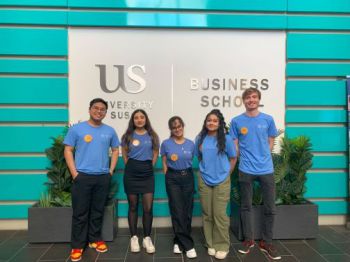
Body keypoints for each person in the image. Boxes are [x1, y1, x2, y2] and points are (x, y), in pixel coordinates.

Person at [64, 98, 119, 262]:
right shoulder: (77, 130)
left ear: (105, 112)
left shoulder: (109, 130)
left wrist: (110, 171)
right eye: (96, 108)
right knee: (80, 213)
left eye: (102, 109)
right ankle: (77, 246)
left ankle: (95, 239)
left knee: (97, 211)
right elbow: (68, 150)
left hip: (102, 177)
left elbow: (116, 150)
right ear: (89, 109)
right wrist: (74, 174)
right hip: (82, 177)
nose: (99, 111)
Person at [229, 88, 281, 260]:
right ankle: (249, 239)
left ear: (259, 99)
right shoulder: (237, 121)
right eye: (248, 98)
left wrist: (264, 153)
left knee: (270, 208)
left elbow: (271, 139)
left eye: (254, 97)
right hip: (246, 169)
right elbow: (235, 145)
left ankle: (267, 242)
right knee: (245, 206)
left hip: (266, 169)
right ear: (243, 101)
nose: (251, 100)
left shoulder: (267, 119)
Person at [195, 109, 236, 260]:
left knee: (219, 214)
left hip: (222, 180)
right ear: (205, 123)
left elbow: (233, 158)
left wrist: (226, 174)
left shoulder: (227, 139)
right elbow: (199, 157)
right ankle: (210, 243)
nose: (211, 123)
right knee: (207, 214)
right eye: (209, 120)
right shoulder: (200, 138)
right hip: (204, 179)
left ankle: (222, 245)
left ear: (219, 124)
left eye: (214, 121)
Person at [121, 109, 159, 254]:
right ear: (133, 120)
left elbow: (156, 151)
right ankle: (134, 238)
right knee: (133, 206)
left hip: (147, 173)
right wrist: (130, 165)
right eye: (136, 118)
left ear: (145, 119)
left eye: (142, 117)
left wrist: (151, 164)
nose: (139, 120)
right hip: (131, 172)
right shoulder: (127, 136)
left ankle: (147, 238)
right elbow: (124, 152)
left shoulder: (152, 135)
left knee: (148, 208)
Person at [160, 116, 197, 259]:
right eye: (174, 127)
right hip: (173, 178)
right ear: (171, 129)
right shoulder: (166, 143)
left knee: (187, 210)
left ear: (183, 126)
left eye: (179, 126)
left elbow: (191, 159)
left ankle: (178, 241)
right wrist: (167, 176)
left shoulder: (191, 144)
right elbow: (164, 161)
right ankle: (188, 245)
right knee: (177, 210)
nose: (177, 129)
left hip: (187, 176)